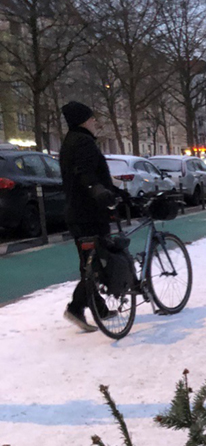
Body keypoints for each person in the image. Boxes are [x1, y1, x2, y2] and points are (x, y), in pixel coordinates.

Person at [59, 101, 119, 332]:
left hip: (79, 212)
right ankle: (76, 307)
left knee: (90, 263)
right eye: (92, 118)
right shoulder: (82, 142)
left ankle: (99, 308)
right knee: (95, 264)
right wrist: (99, 191)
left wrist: (114, 191)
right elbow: (85, 174)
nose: (95, 122)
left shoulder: (71, 141)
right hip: (89, 214)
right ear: (83, 121)